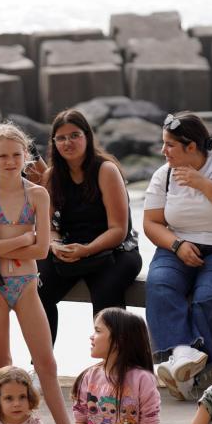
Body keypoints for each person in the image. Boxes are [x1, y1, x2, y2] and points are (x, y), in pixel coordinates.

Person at [0, 123, 76, 424]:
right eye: (2, 155)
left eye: (16, 155)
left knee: (46, 362)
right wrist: (21, 239)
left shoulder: (38, 194)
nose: (10, 161)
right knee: (3, 364)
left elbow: (42, 250)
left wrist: (0, 246)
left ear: (26, 156)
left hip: (27, 284)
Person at [143, 112, 212, 401]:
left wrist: (201, 183)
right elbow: (151, 223)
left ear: (191, 146)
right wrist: (177, 245)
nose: (163, 151)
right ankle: (185, 356)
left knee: (208, 297)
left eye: (170, 145)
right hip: (178, 245)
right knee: (159, 284)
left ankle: (188, 369)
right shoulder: (164, 174)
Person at [29, 108, 140, 344]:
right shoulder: (51, 176)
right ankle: (41, 364)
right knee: (36, 288)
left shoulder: (105, 170)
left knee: (106, 293)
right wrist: (56, 244)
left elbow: (118, 230)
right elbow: (48, 226)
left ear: (87, 137)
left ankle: (115, 366)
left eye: (74, 135)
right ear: (54, 143)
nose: (68, 142)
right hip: (71, 248)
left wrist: (86, 250)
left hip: (116, 250)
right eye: (61, 138)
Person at [53, 308, 159, 424]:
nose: (91, 337)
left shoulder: (143, 379)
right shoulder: (89, 376)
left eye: (98, 331)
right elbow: (81, 419)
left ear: (120, 340)